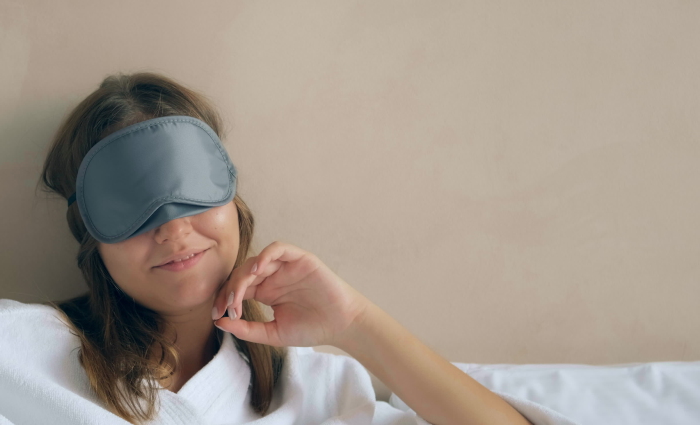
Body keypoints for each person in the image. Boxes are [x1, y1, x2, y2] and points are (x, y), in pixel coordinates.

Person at [37, 71, 577, 425]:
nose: (174, 231)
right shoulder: (27, 350)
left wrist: (355, 323)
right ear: (89, 235)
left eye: (191, 193)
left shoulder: (312, 386)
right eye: (133, 206)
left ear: (232, 196)